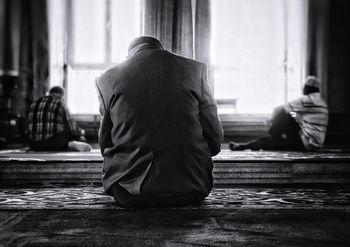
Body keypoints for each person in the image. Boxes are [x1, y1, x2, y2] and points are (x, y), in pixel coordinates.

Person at [96, 36, 223, 208]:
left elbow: (104, 144)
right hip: (192, 186)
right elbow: (215, 142)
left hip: (128, 191)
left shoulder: (106, 79)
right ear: (160, 49)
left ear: (130, 55)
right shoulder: (195, 69)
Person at [229, 76, 329, 151]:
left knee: (283, 116)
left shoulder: (308, 100)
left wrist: (271, 120)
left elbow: (278, 109)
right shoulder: (321, 102)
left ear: (307, 88)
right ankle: (244, 146)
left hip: (305, 143)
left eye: (304, 87)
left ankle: (245, 145)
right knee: (275, 136)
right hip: (315, 145)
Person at [26, 86, 92, 152]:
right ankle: (70, 146)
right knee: (80, 138)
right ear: (61, 95)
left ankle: (67, 145)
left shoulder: (34, 103)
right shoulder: (60, 103)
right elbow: (72, 129)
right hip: (55, 144)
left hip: (33, 144)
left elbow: (27, 127)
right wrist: (81, 132)